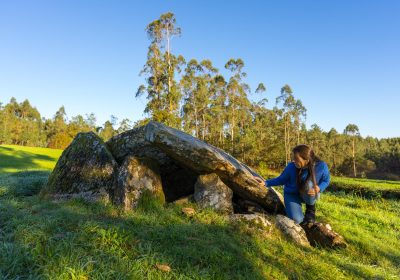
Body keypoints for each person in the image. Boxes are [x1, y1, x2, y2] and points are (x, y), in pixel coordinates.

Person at [255, 144, 330, 224]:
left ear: (307, 160)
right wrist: (266, 183)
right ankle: (291, 210)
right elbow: (281, 179)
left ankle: (310, 209)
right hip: (292, 194)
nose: (294, 161)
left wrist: (319, 188)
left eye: (296, 158)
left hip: (307, 194)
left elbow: (326, 180)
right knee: (297, 220)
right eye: (293, 158)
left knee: (309, 184)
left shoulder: (321, 166)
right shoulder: (291, 167)